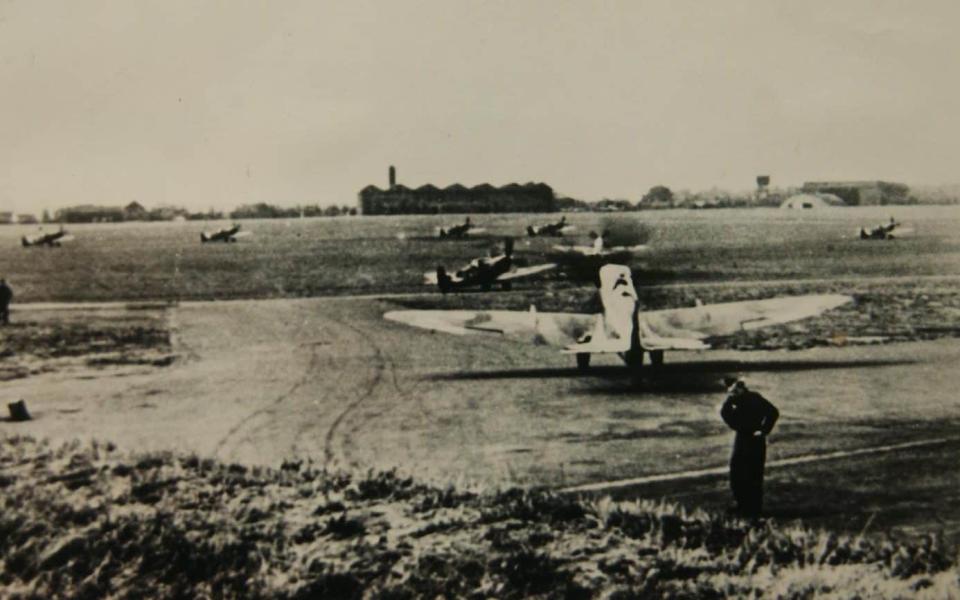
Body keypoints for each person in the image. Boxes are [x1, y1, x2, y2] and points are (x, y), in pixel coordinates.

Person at [720, 378, 779, 517]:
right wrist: (729, 399)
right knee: (736, 472)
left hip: (755, 439)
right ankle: (742, 504)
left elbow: (773, 412)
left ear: (742, 388)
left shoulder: (754, 398)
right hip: (742, 438)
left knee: (753, 473)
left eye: (736, 390)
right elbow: (725, 415)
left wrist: (764, 430)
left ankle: (754, 508)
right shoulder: (734, 401)